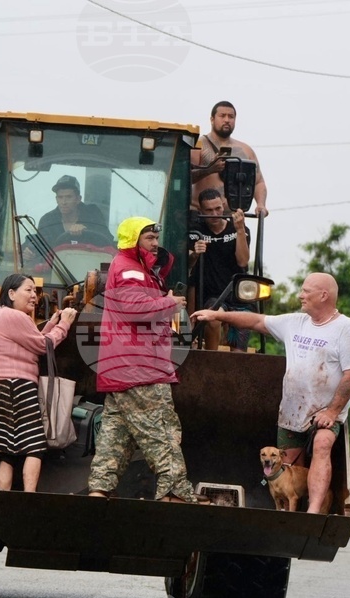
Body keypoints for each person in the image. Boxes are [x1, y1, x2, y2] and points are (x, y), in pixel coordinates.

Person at [191, 272, 350, 513]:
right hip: (292, 412)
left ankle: (313, 511)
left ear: (324, 295)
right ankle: (289, 513)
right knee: (292, 466)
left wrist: (333, 411)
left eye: (306, 291)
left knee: (323, 444)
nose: (300, 295)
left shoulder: (346, 329)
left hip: (325, 412)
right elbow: (255, 321)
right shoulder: (295, 323)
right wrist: (217, 315)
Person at [88, 217, 204, 503]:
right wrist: (170, 303)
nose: (156, 242)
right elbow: (134, 309)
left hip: (122, 367)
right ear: (133, 241)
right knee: (162, 429)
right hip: (139, 366)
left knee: (116, 433)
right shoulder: (131, 271)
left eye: (155, 237)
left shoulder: (135, 268)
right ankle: (175, 492)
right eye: (149, 238)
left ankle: (100, 489)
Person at [0, 274, 78, 492]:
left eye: (35, 292)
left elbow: (30, 339)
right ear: (11, 293)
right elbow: (43, 346)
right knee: (34, 446)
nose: (35, 297)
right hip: (15, 385)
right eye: (28, 290)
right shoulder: (14, 316)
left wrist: (50, 324)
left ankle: (5, 498)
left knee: (6, 450)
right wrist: (65, 325)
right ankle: (29, 497)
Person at [188, 187, 252, 350]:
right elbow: (188, 268)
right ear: (201, 210)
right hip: (212, 295)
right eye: (209, 210)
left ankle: (235, 368)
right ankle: (211, 359)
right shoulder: (195, 232)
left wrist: (240, 230)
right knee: (212, 318)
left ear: (223, 205)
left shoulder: (239, 229)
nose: (215, 214)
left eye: (218, 209)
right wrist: (195, 254)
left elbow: (243, 261)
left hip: (238, 293)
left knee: (240, 340)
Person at [191, 101, 269, 218]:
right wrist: (210, 169)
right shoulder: (198, 146)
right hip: (203, 218)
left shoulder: (246, 150)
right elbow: (186, 178)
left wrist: (261, 205)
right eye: (222, 116)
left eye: (231, 116)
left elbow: (259, 182)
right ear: (212, 119)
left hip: (234, 218)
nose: (227, 120)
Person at [23, 175, 114, 263]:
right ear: (56, 199)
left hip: (91, 270)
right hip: (56, 273)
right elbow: (39, 246)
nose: (64, 202)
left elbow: (108, 241)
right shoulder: (47, 221)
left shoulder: (93, 216)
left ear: (78, 199)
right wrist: (28, 252)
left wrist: (87, 230)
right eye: (60, 197)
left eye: (68, 197)